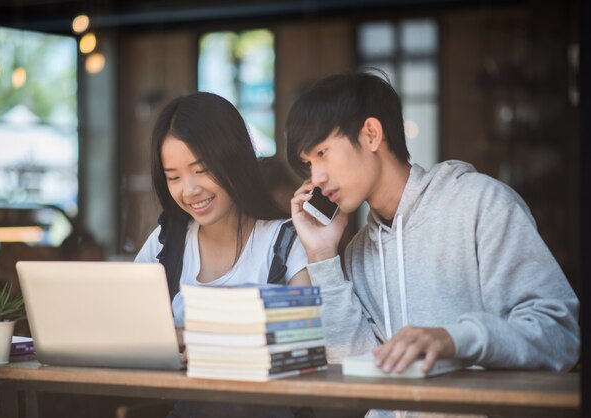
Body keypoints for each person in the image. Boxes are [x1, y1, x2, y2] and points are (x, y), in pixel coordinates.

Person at [286, 71, 580, 415]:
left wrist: (454, 340)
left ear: (371, 134)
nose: (316, 178)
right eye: (308, 163)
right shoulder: (357, 252)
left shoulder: (481, 203)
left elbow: (559, 335)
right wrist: (321, 256)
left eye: (322, 152)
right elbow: (354, 369)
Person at [135, 92, 311, 418]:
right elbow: (128, 326)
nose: (189, 190)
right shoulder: (165, 242)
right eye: (173, 176)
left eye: (201, 170)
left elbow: (311, 342)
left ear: (233, 159)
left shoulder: (286, 241)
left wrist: (195, 337)